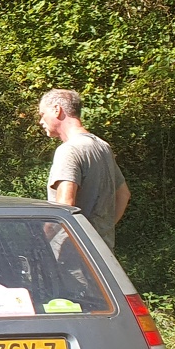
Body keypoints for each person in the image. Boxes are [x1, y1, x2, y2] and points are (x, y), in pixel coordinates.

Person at [38, 89, 129, 247]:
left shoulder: (69, 150)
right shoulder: (103, 146)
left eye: (42, 114)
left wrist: (40, 241)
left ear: (57, 109)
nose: (41, 121)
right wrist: (101, 231)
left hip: (71, 254)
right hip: (100, 252)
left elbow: (65, 205)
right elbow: (124, 194)